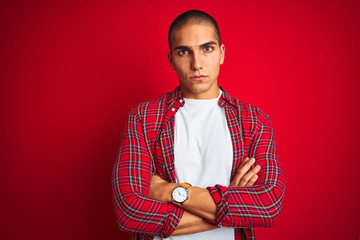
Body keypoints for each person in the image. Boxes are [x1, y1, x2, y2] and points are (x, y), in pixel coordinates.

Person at [112, 10, 285, 240]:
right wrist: (233, 203)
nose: (196, 64)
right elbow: (129, 211)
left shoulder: (253, 121)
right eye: (184, 51)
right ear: (171, 59)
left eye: (207, 48)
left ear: (222, 53)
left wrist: (169, 191)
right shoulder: (144, 117)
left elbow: (267, 206)